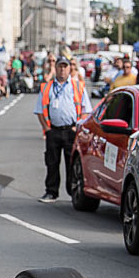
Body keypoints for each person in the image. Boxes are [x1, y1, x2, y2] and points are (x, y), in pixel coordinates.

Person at [34, 56, 92, 203]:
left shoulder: (77, 86)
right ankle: (51, 192)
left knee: (71, 163)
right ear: (56, 68)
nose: (62, 69)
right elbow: (40, 110)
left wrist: (76, 127)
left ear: (69, 69)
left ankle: (73, 192)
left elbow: (86, 110)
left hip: (71, 131)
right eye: (60, 66)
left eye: (65, 66)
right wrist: (47, 129)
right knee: (52, 162)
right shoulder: (47, 87)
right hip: (53, 130)